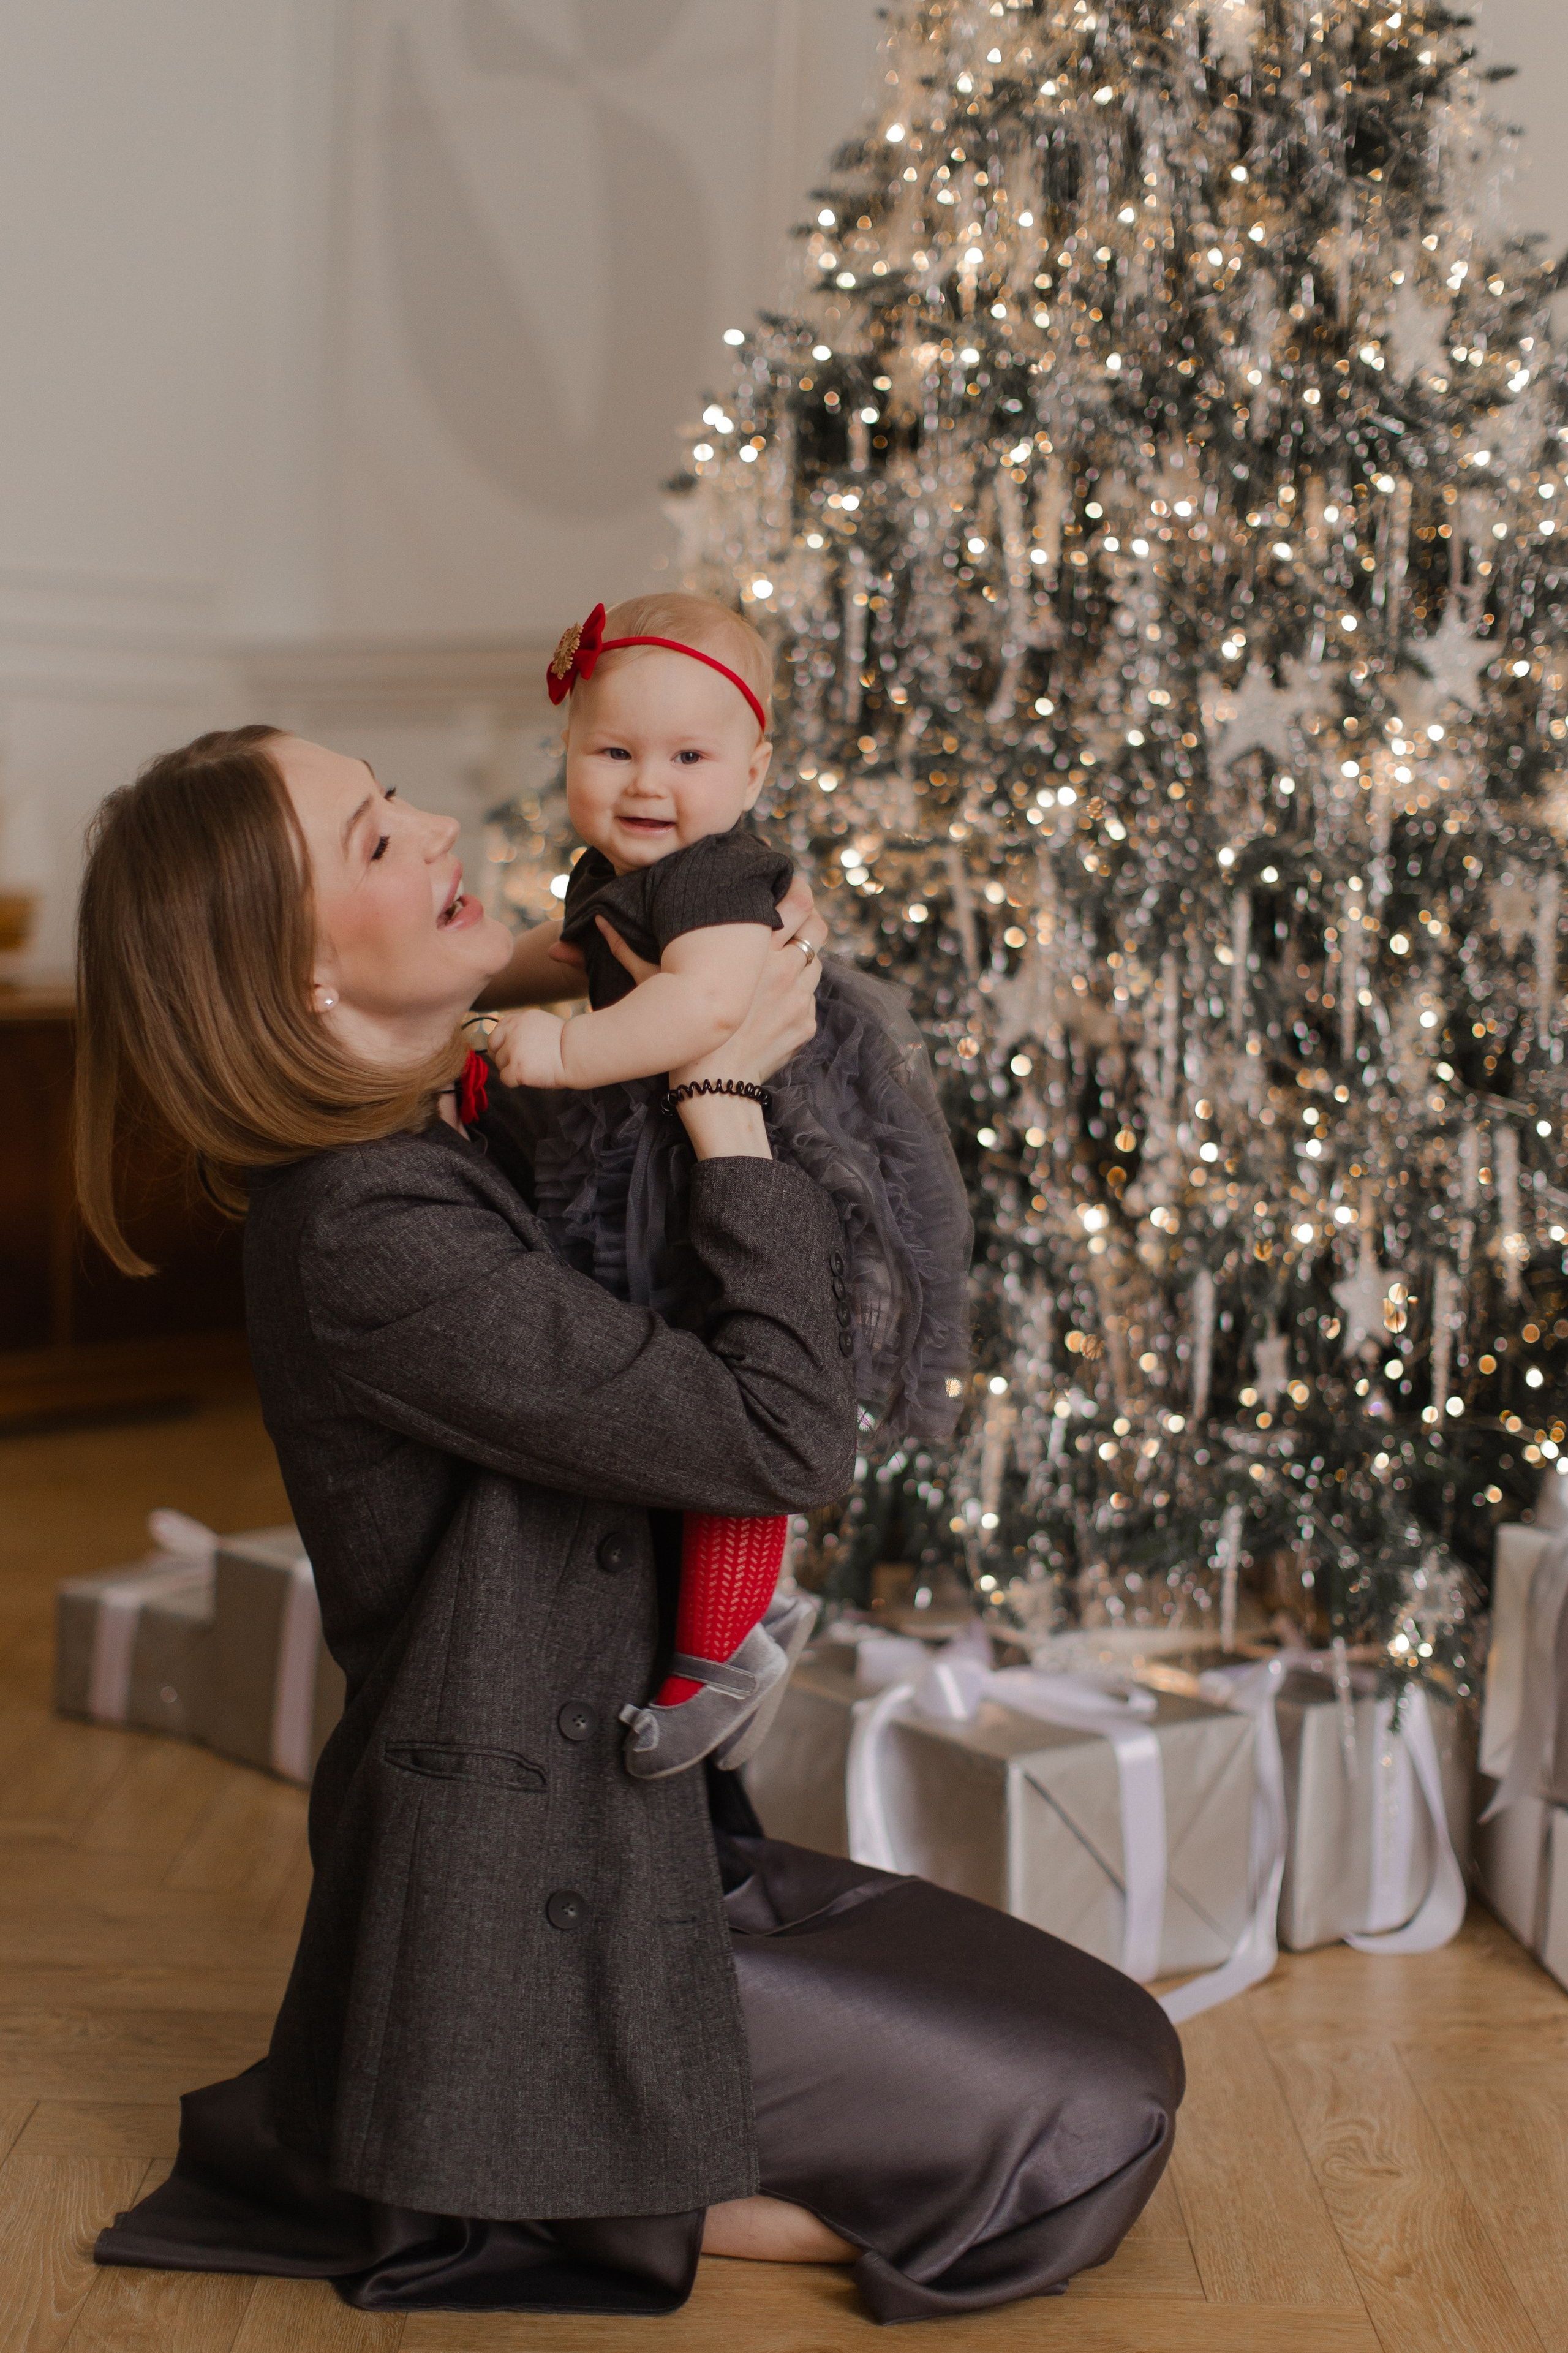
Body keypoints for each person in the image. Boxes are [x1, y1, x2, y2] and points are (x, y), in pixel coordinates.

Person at [76, 725, 1183, 2324]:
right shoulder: (364, 1234)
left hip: (637, 1829)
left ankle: (613, 2136)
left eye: (397, 802)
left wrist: (723, 950)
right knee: (1093, 2113)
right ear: (304, 983)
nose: (443, 825)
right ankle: (573, 2160)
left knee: (1119, 2037)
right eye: (379, 844)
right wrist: (722, 1083)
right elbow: (781, 1437)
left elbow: (645, 1046)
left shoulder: (455, 1116)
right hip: (525, 1888)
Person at [476, 592, 973, 1781]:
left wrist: (549, 1049)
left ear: (752, 769)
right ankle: (736, 1622)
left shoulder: (711, 876)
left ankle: (720, 1654)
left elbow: (699, 1008)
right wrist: (479, 979)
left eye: (688, 757)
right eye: (612, 752)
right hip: (653, 1145)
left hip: (741, 1148)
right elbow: (573, 950)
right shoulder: (621, 867)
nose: (648, 782)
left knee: (734, 1400)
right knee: (691, 1399)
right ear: (568, 754)